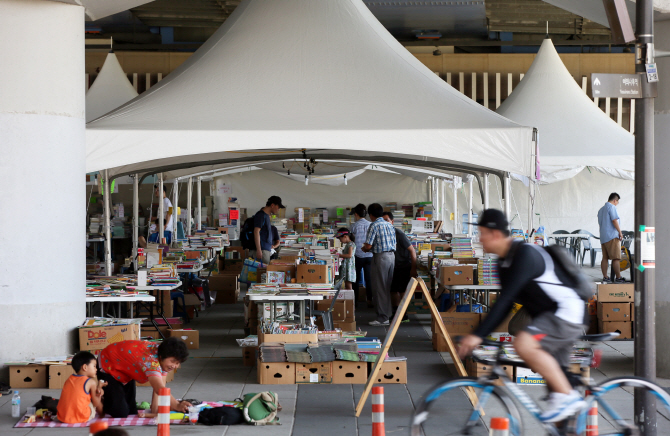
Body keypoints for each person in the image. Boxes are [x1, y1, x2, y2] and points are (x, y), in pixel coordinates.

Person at [457, 209, 587, 423]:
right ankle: (567, 406)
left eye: (482, 232)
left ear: (496, 234)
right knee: (559, 404)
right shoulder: (503, 262)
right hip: (550, 318)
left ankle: (568, 397)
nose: (479, 238)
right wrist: (482, 334)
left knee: (523, 344)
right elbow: (506, 303)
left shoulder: (524, 254)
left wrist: (478, 335)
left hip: (566, 314)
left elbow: (506, 300)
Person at [97, 338, 191, 418]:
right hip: (106, 366)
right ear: (162, 357)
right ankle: (97, 398)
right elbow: (159, 389)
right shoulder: (150, 361)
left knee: (131, 411)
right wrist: (176, 404)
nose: (175, 366)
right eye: (173, 361)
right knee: (120, 413)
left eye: (178, 363)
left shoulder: (162, 355)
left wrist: (155, 410)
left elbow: (159, 386)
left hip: (124, 371)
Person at [362, 203, 396, 326]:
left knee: (379, 287)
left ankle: (382, 317)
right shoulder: (389, 224)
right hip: (391, 256)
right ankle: (387, 314)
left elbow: (368, 245)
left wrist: (364, 248)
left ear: (370, 215)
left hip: (380, 257)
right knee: (387, 287)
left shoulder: (374, 225)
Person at [382, 212, 417, 323]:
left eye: (387, 220)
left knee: (402, 291)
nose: (385, 223)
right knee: (392, 290)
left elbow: (412, 250)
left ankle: (404, 314)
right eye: (382, 221)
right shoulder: (383, 234)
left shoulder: (399, 234)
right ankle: (396, 312)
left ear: (392, 222)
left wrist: (413, 268)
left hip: (403, 266)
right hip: (392, 267)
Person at [56, 351, 107, 423]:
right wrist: (99, 388)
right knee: (98, 395)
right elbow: (96, 403)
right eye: (94, 366)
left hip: (62, 416)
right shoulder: (91, 382)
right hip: (81, 417)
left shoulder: (69, 379)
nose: (96, 369)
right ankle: (102, 415)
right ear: (85, 367)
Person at [597, 193, 625, 283]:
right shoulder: (612, 207)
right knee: (616, 258)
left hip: (603, 236)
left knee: (605, 258)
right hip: (612, 236)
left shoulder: (601, 210)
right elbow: (614, 220)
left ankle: (605, 277)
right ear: (615, 200)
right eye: (617, 202)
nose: (617, 204)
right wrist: (620, 232)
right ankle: (618, 277)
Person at [349, 204, 373, 307]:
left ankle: (356, 301)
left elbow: (351, 239)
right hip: (369, 255)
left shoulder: (354, 226)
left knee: (356, 278)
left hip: (357, 255)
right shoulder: (371, 225)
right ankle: (370, 300)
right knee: (369, 279)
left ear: (356, 214)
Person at [251, 196, 285, 265]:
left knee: (264, 272)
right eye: (278, 207)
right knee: (261, 272)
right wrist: (259, 250)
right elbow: (256, 231)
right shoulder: (261, 215)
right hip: (262, 250)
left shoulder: (266, 216)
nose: (278, 209)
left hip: (265, 249)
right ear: (272, 205)